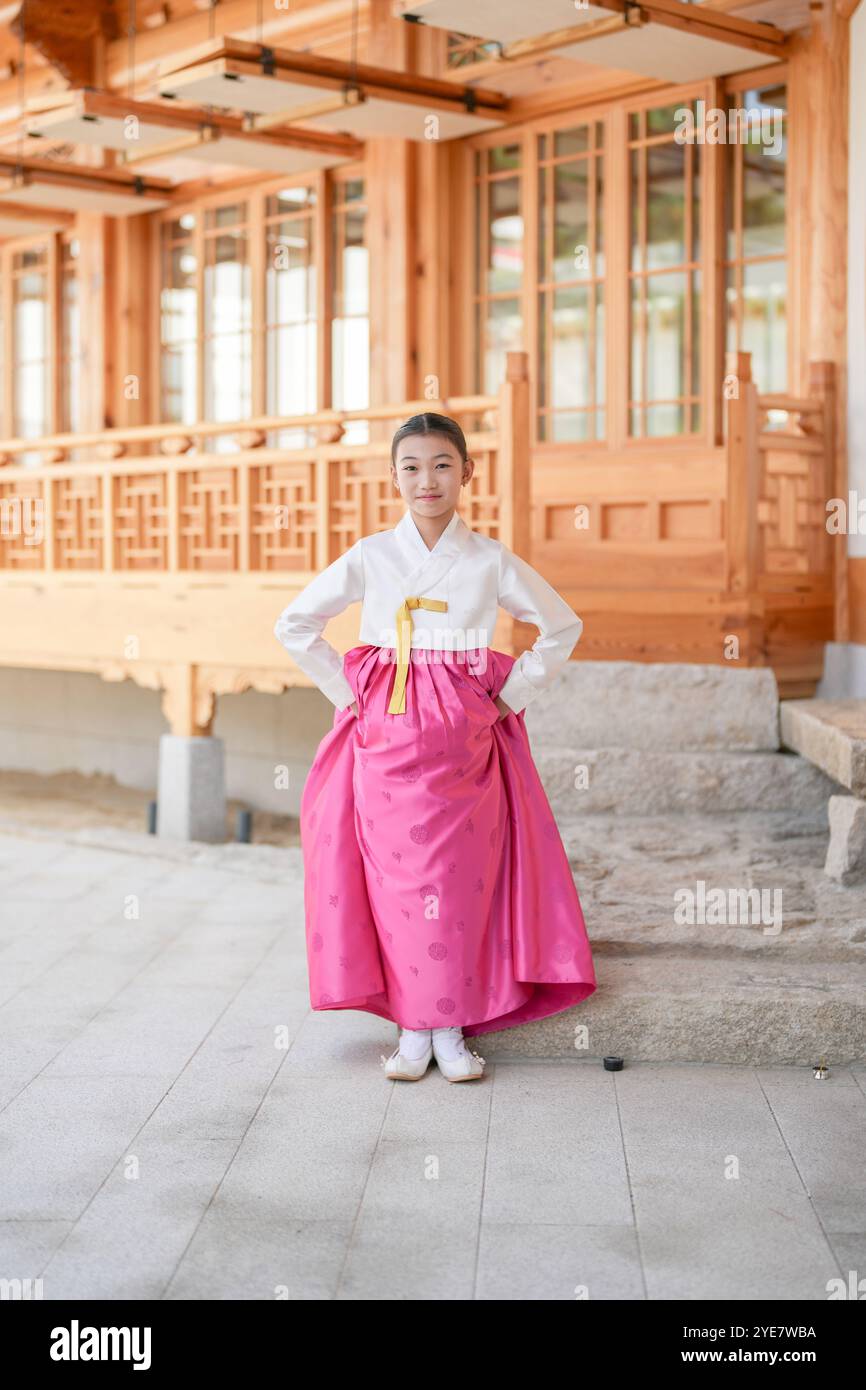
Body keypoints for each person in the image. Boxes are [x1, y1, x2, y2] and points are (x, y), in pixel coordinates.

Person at [273, 412, 596, 1083]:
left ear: (467, 473)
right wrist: (349, 692)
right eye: (413, 467)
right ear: (394, 477)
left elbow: (560, 626)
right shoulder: (371, 555)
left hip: (465, 740)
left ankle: (449, 1028)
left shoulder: (488, 560)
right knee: (398, 883)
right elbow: (295, 623)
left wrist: (510, 695)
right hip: (384, 739)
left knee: (455, 883)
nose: (428, 479)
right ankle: (413, 1028)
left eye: (443, 465)